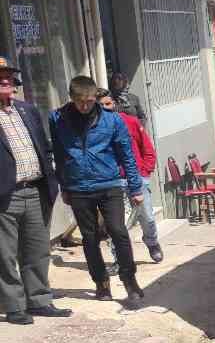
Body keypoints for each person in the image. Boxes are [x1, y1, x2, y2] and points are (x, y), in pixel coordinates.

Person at [52, 75, 144, 301]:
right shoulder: (57, 119)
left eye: (90, 101)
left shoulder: (112, 121)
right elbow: (59, 153)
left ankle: (129, 279)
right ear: (72, 98)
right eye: (80, 101)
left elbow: (127, 155)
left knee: (118, 232)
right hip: (78, 187)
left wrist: (135, 187)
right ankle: (101, 282)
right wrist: (64, 186)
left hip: (108, 184)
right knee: (89, 237)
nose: (85, 106)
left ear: (95, 98)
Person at [0, 57, 69, 325]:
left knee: (37, 250)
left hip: (36, 191)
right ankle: (14, 306)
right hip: (6, 196)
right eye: (0, 77)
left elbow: (45, 147)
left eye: (8, 76)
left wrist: (52, 180)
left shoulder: (27, 110)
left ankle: (40, 300)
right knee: (5, 254)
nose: (5, 80)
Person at [99, 89, 162, 263]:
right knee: (117, 224)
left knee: (147, 217)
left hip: (138, 177)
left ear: (115, 104)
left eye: (108, 104)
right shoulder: (96, 129)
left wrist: (145, 171)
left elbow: (147, 149)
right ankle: (119, 258)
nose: (105, 108)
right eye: (100, 105)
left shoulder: (131, 122)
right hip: (114, 181)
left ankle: (152, 242)